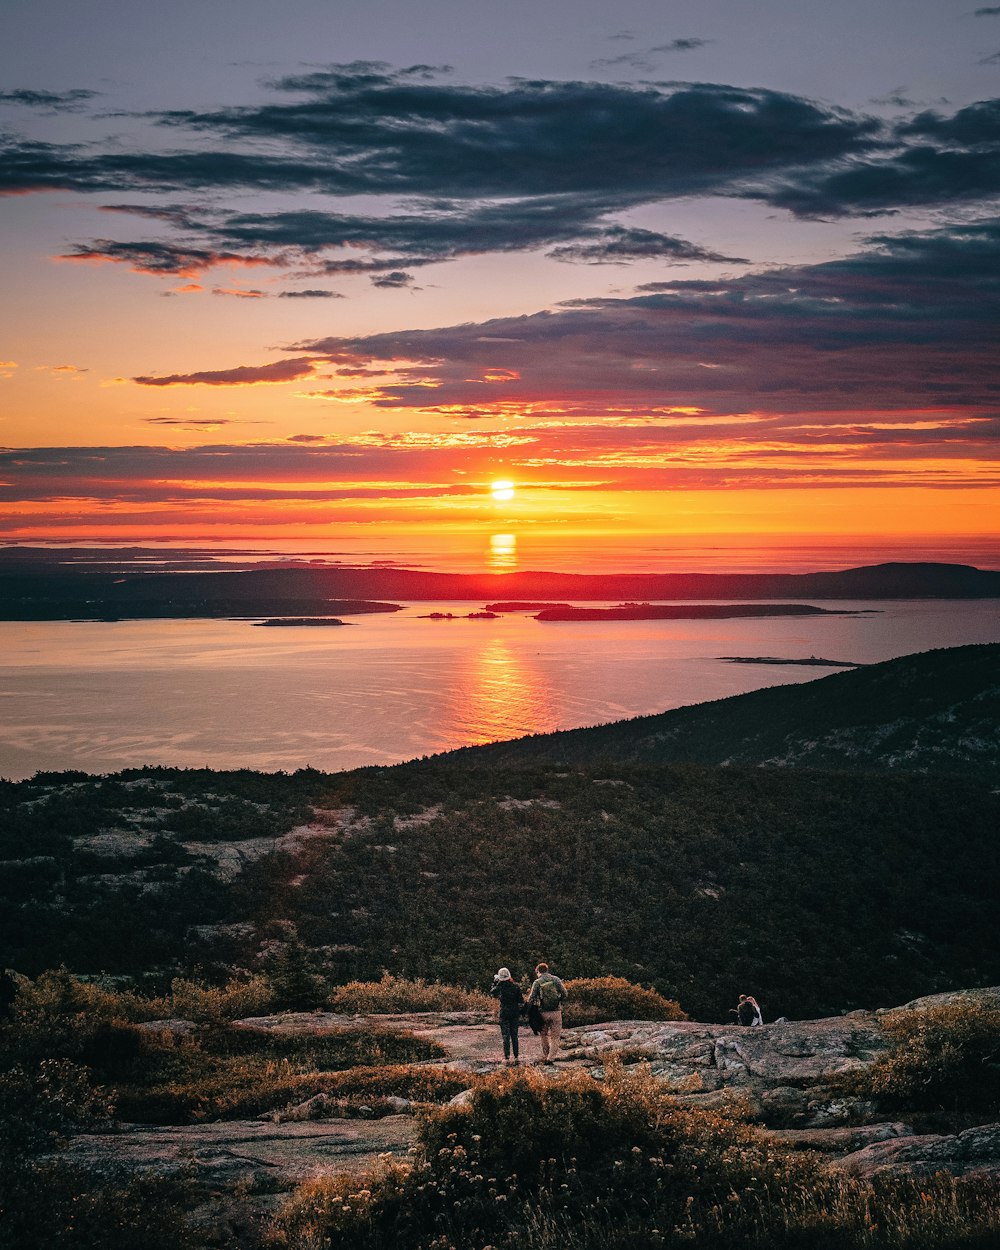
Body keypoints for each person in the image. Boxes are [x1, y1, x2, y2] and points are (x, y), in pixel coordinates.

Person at [527, 961, 567, 1064]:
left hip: (542, 1013)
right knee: (555, 1036)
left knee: (543, 1035)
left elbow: (531, 999)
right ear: (547, 970)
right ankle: (551, 1058)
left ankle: (546, 1056)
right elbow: (565, 993)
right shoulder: (555, 979)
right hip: (556, 1011)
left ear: (538, 971)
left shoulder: (537, 982)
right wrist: (559, 1000)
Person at [490, 967, 524, 1063]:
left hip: (504, 1012)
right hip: (514, 1012)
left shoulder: (499, 987)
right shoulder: (516, 987)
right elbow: (521, 1001)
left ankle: (507, 1057)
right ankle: (516, 1056)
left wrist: (495, 982)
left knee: (505, 1035)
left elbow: (492, 992)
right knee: (514, 1035)